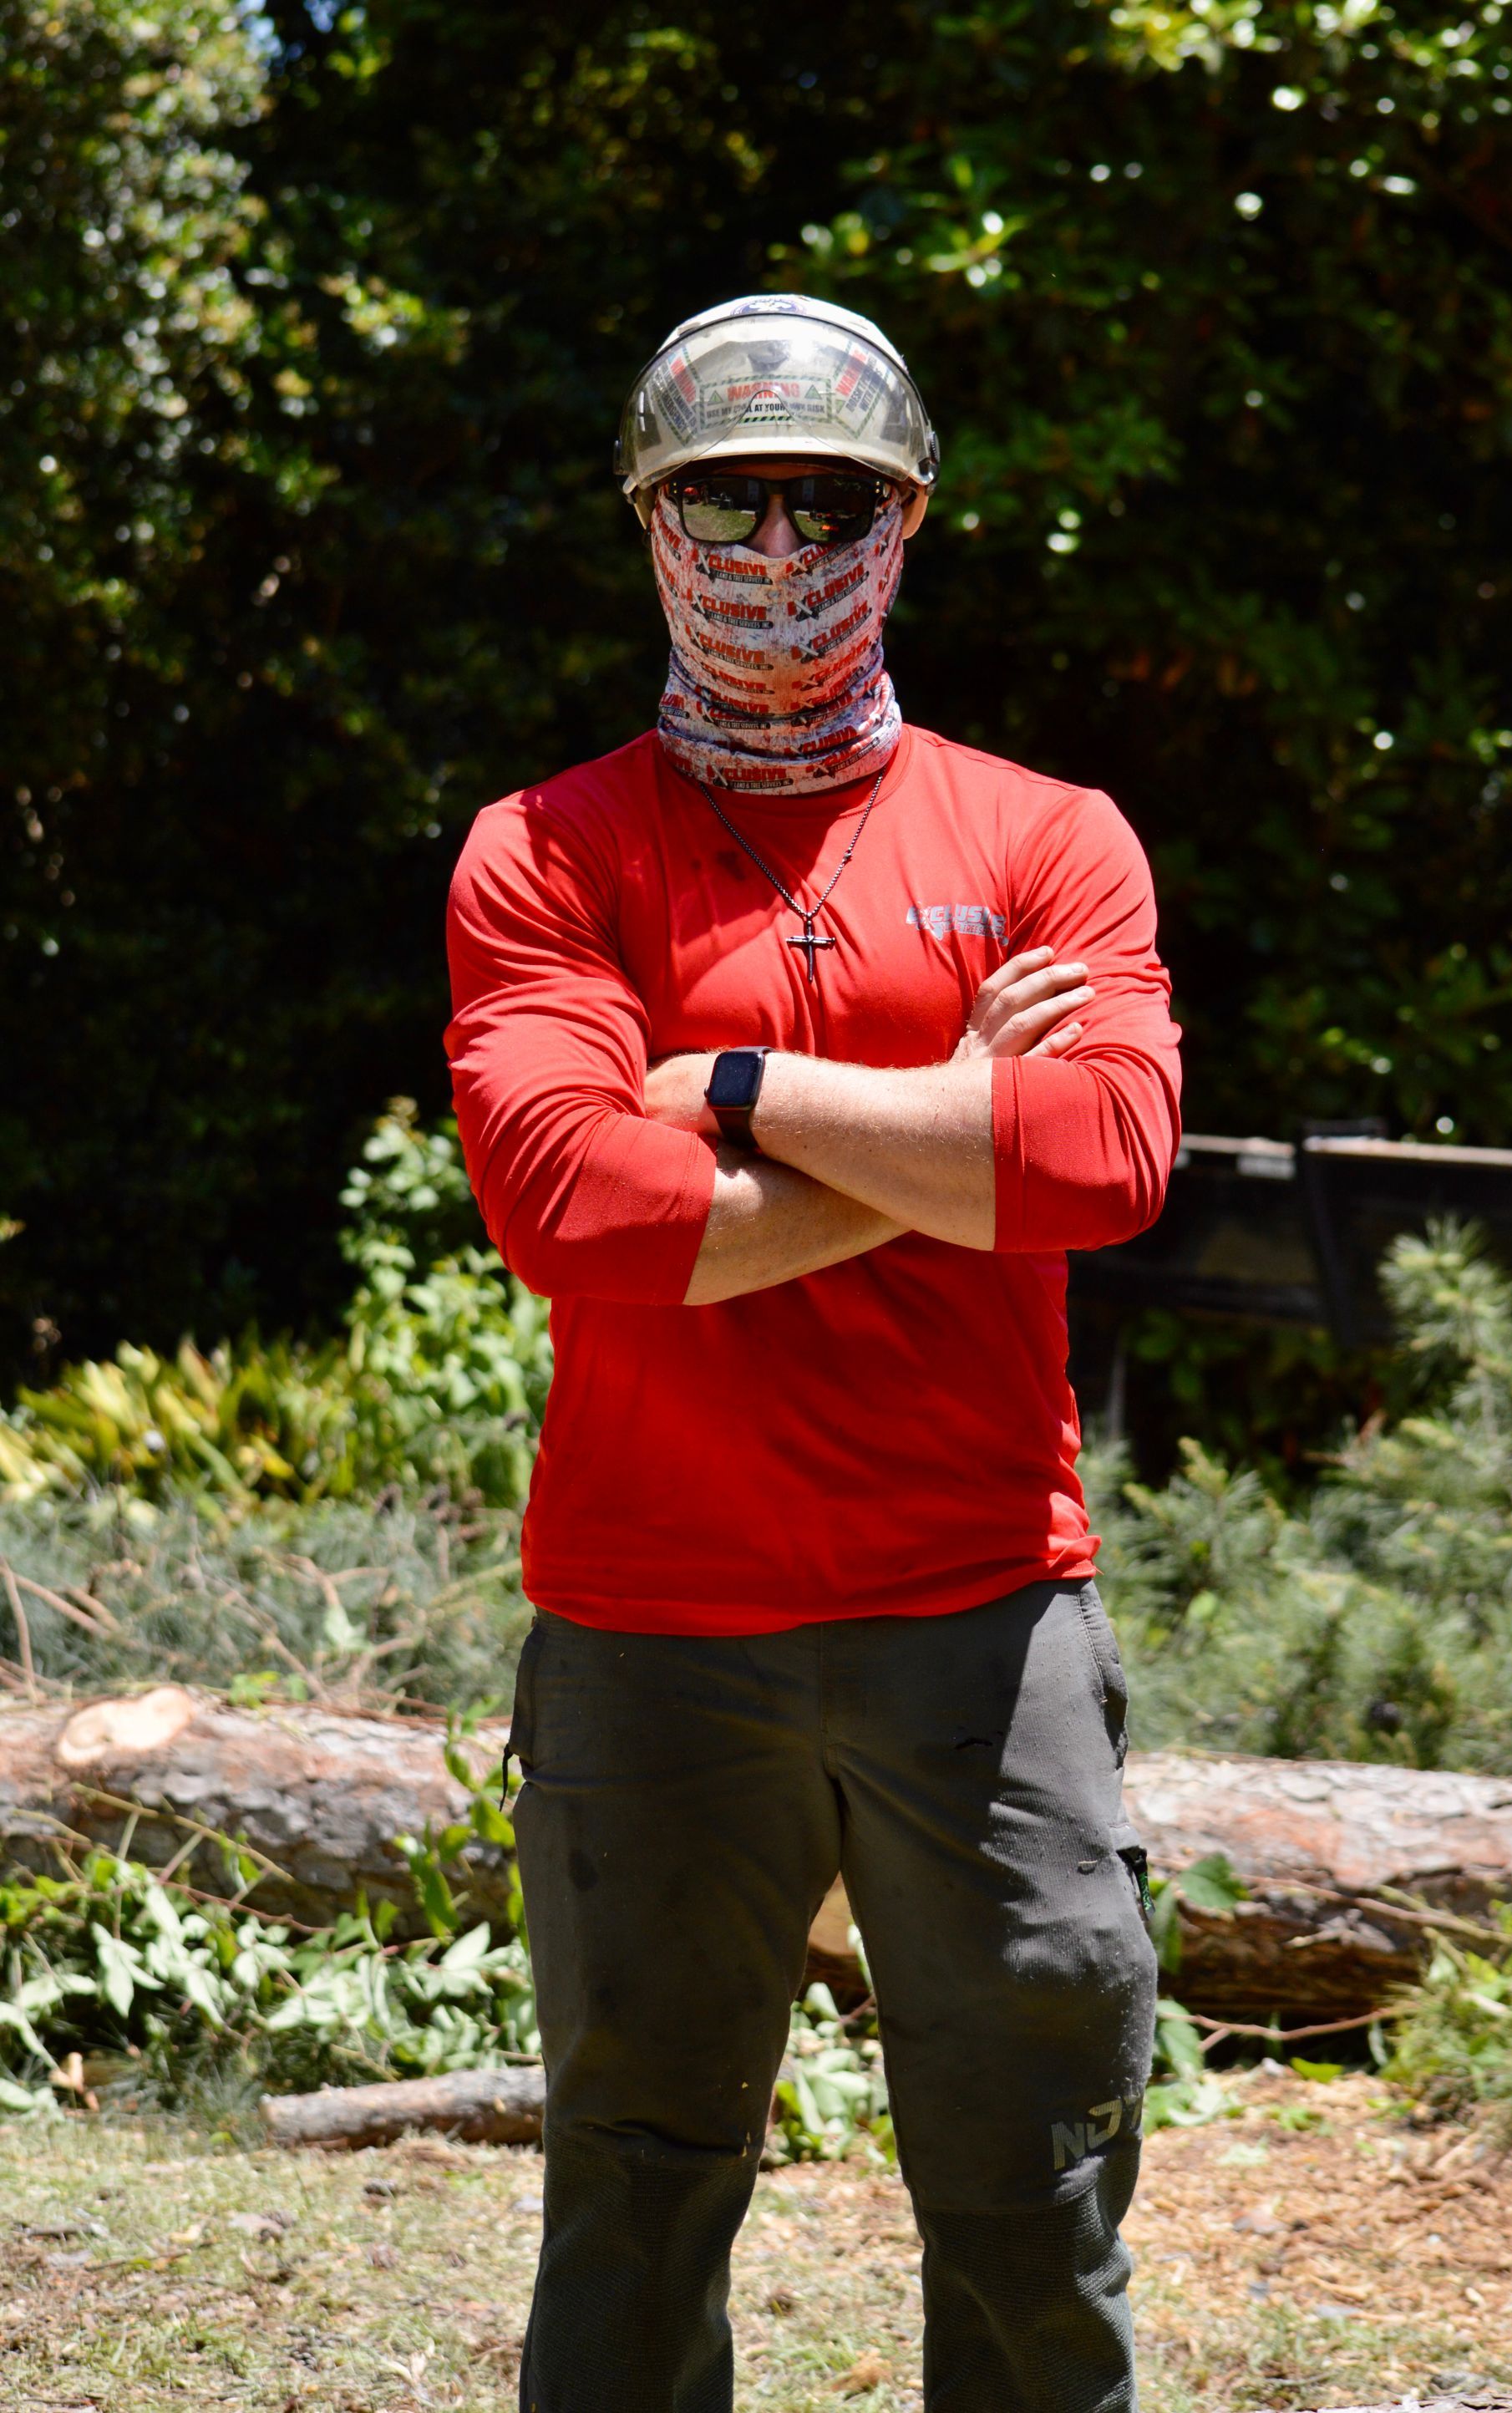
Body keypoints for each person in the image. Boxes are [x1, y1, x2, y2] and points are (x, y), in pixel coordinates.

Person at [444, 292, 1181, 2413]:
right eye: (725, 499)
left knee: (1036, 2197)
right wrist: (953, 1125)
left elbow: (1108, 1154)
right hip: (650, 1624)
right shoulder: (548, 850)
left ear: (912, 515)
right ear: (647, 517)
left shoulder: (1048, 836)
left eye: (830, 499)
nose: (779, 545)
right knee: (638, 2195)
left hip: (985, 1615)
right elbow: (573, 1216)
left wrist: (735, 1083)